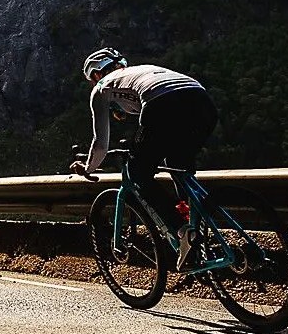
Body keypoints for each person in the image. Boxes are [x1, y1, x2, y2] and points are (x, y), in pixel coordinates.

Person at [70, 47, 218, 270]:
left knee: (138, 172)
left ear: (96, 75)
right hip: (201, 99)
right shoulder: (141, 70)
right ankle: (197, 220)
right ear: (120, 64)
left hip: (161, 105)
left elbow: (101, 144)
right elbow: (151, 105)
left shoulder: (100, 88)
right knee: (178, 165)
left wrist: (89, 168)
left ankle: (182, 231)